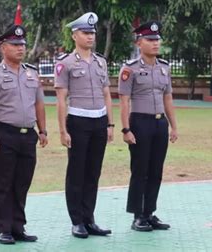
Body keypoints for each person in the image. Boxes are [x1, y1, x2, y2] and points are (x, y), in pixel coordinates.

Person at [0, 24, 48, 245]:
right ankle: (4, 228)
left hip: (28, 135)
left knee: (22, 182)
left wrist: (43, 130)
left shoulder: (32, 73)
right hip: (4, 133)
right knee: (3, 182)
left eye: (23, 45)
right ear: (3, 48)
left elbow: (39, 103)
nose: (20, 48)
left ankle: (19, 226)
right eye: (15, 44)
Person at [54, 12, 114, 239]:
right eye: (85, 33)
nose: (90, 37)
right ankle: (76, 221)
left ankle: (90, 219)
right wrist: (63, 130)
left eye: (92, 33)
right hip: (78, 121)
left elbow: (107, 93)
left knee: (93, 172)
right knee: (77, 172)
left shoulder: (101, 62)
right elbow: (61, 99)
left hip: (99, 121)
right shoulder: (65, 63)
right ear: (74, 35)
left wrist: (110, 123)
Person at [118, 20, 178, 232]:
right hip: (140, 122)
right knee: (140, 169)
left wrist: (174, 126)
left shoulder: (164, 68)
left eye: (157, 40)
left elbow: (168, 98)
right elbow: (124, 101)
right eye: (150, 40)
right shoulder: (130, 69)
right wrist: (126, 129)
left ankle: (149, 212)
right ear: (139, 42)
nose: (155, 43)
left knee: (156, 170)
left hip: (159, 122)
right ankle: (137, 215)